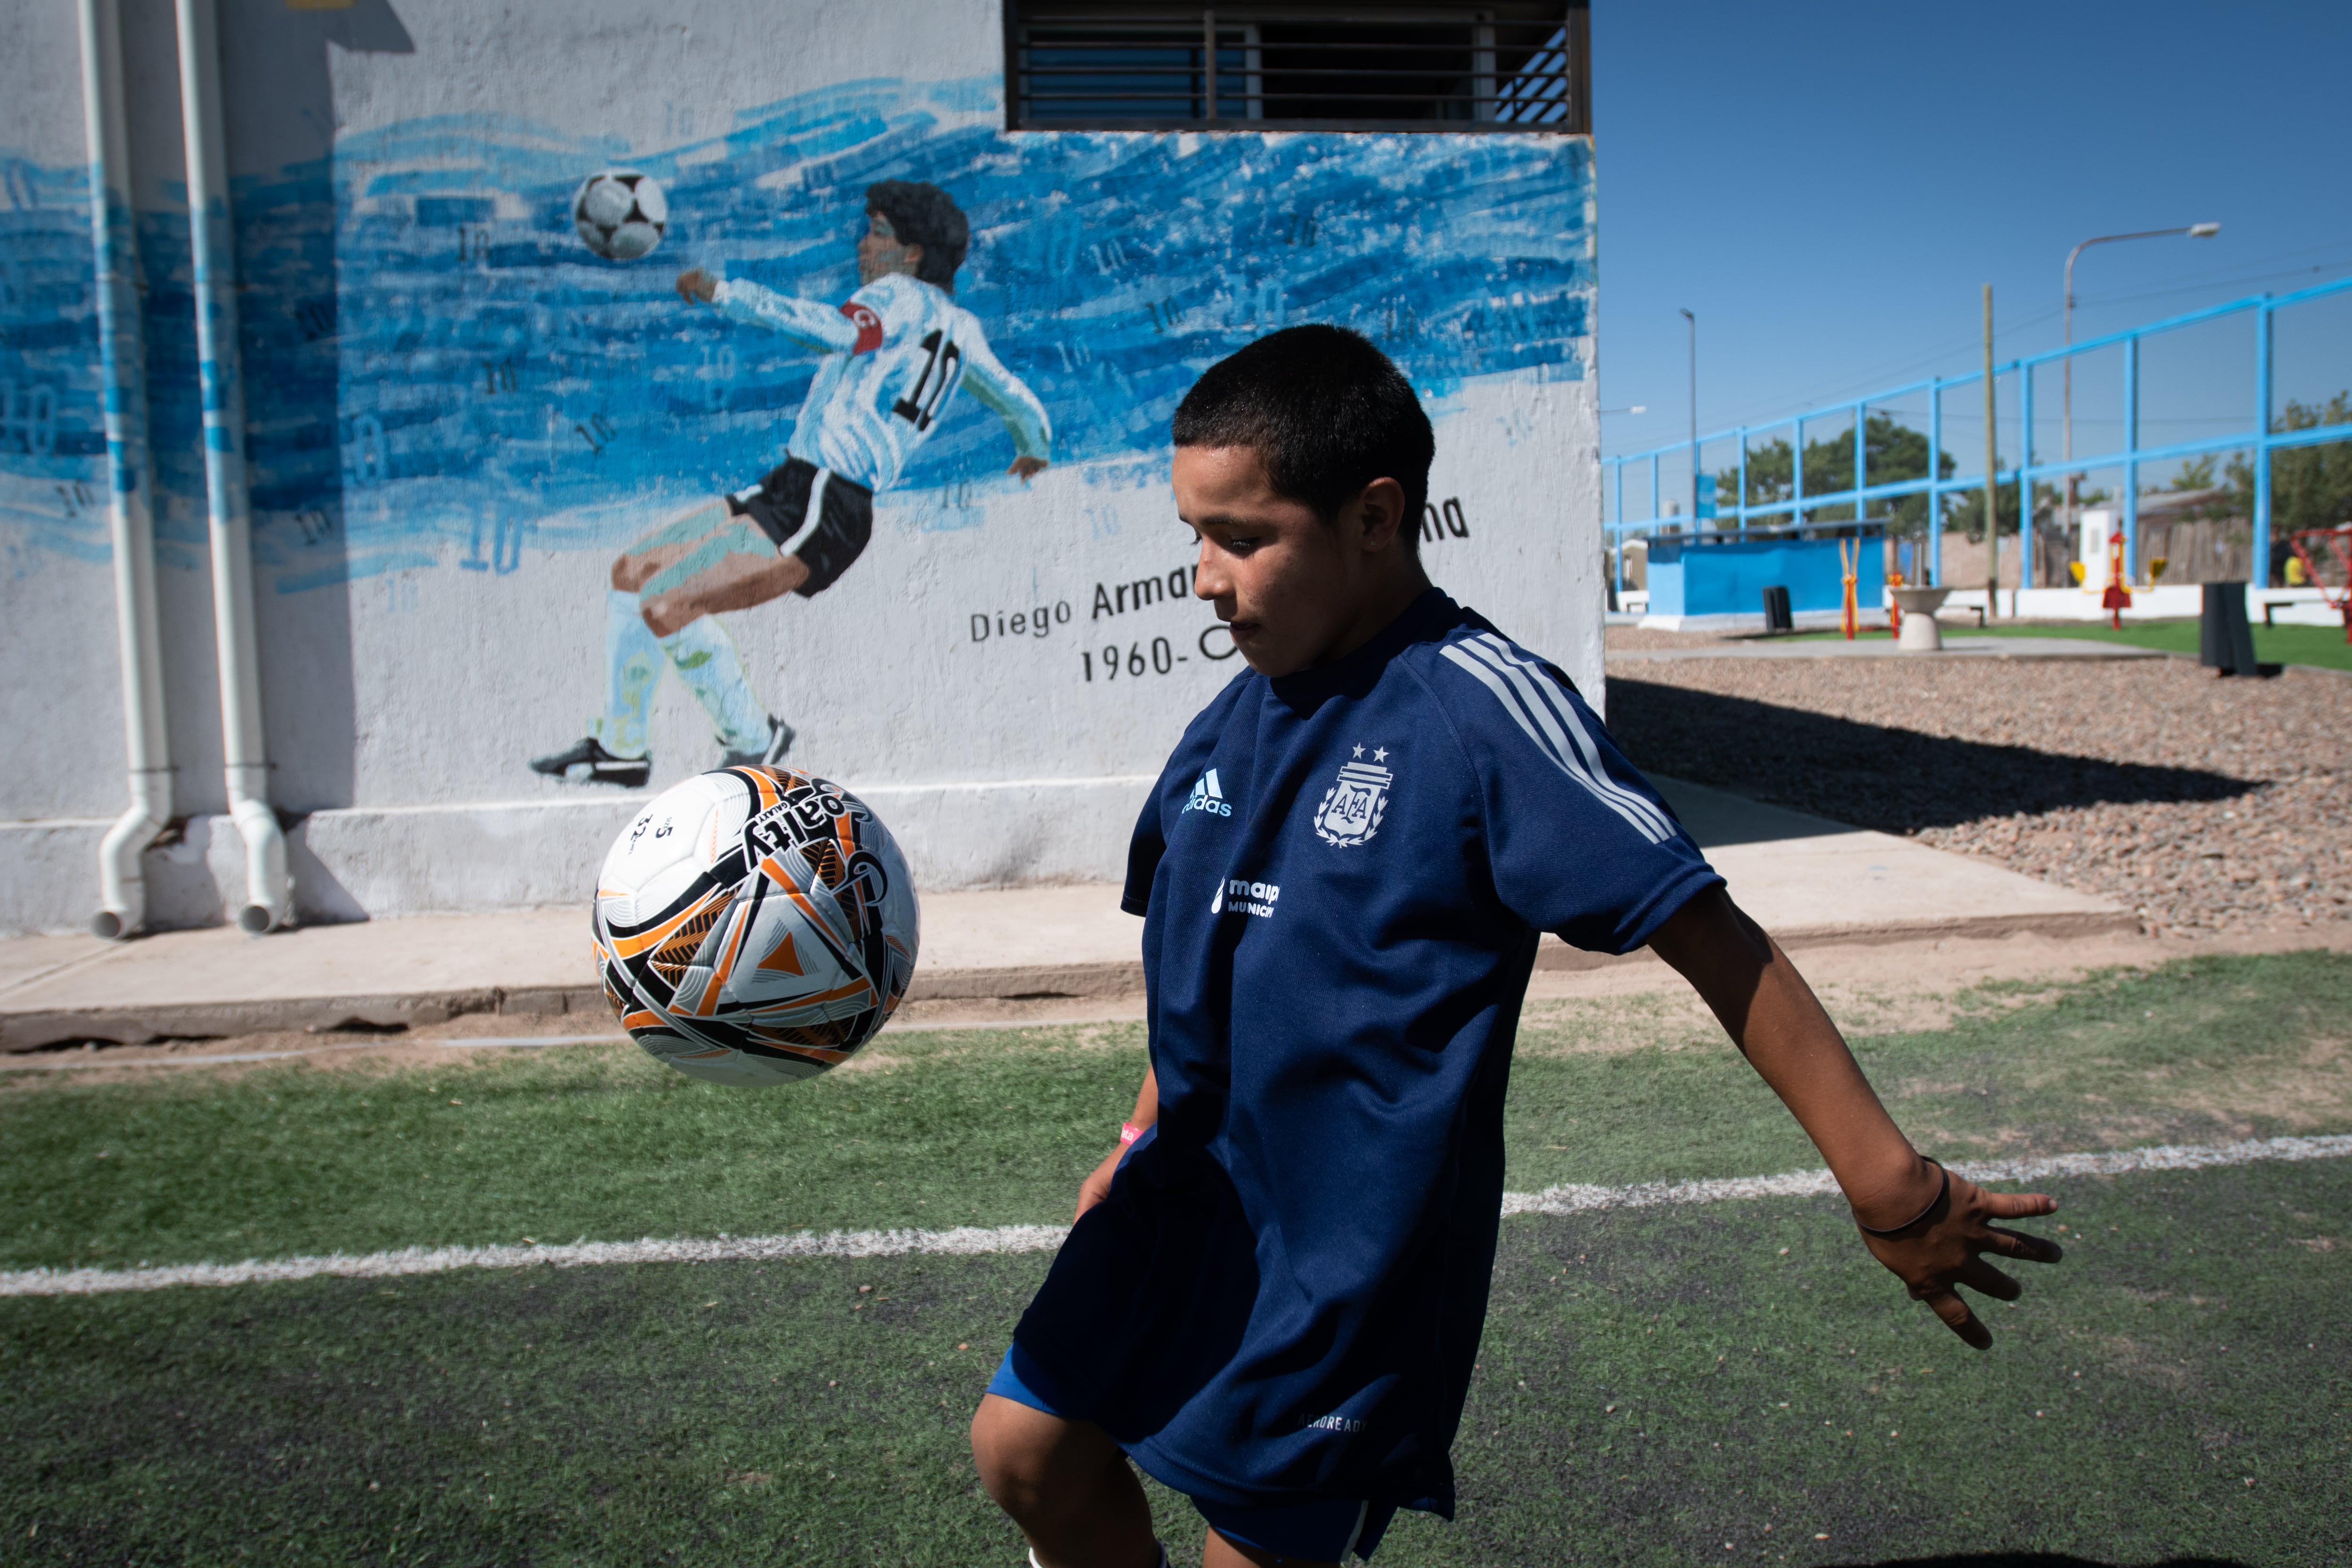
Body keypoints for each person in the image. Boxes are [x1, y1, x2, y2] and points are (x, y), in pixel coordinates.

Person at [967, 326, 2063, 1568]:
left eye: (1245, 536)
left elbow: (1708, 929)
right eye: (1195, 536)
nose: (1207, 579)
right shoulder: (1228, 721)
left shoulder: (1477, 704)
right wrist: (1134, 1136)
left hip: (1347, 1265)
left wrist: (1889, 1181)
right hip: (1182, 1200)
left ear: (1376, 515)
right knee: (1022, 1445)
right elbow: (1202, 974)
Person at [531, 180, 1052, 787]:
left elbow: (836, 331)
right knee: (632, 570)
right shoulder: (961, 329)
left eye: (878, 232)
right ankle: (621, 746)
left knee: (668, 603)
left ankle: (753, 738)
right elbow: (1012, 395)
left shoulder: (897, 296)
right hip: (794, 483)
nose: (863, 243)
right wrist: (1033, 446)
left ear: (912, 253)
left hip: (827, 501)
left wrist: (726, 292)